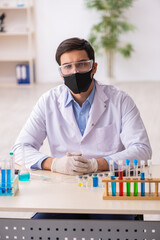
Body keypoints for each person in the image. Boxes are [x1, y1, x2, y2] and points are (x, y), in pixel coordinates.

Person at [12, 37, 152, 175]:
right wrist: (54, 164)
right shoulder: (48, 101)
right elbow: (20, 149)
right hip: (63, 180)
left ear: (94, 67)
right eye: (68, 66)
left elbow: (142, 149)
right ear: (61, 74)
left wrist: (96, 164)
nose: (75, 71)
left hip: (107, 179)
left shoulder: (121, 100)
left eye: (82, 64)